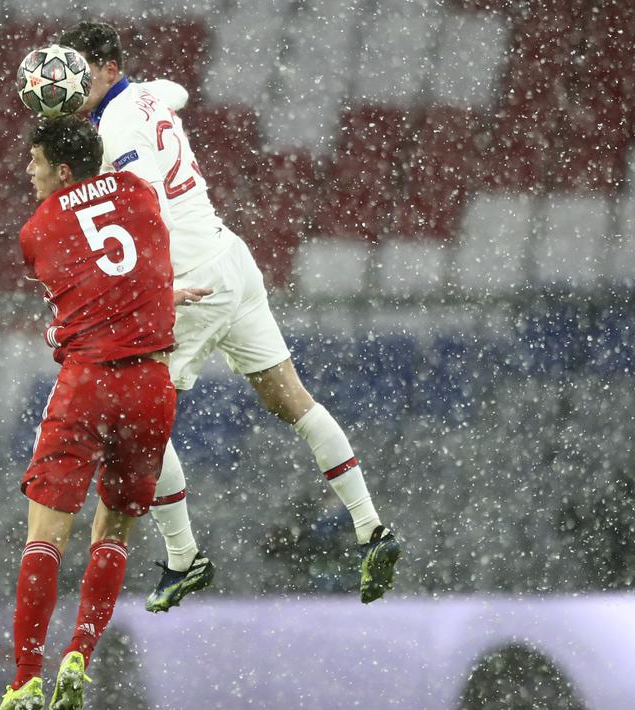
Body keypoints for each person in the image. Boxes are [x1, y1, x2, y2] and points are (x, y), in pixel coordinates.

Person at [57, 21, 402, 612]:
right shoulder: (142, 99)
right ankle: (372, 527)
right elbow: (174, 95)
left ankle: (184, 557)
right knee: (291, 399)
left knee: (139, 420)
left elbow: (143, 203)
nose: (69, 83)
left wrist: (150, 290)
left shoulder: (116, 123)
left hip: (193, 279)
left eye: (80, 71)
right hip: (232, 259)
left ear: (109, 69)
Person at [0, 115, 179, 710]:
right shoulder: (138, 192)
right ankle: (81, 650)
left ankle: (26, 680)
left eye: (37, 161)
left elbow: (81, 276)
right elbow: (124, 263)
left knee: (46, 535)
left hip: (90, 382)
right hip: (152, 384)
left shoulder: (37, 230)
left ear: (64, 168)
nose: (29, 171)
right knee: (116, 530)